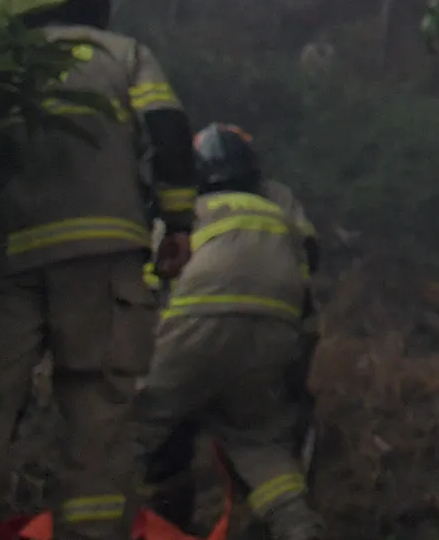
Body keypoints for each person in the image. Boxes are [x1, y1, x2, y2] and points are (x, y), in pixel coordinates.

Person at [0, 0, 197, 540]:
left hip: (2, 264)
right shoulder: (124, 54)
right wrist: (179, 225)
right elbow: (167, 133)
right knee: (100, 421)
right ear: (92, 6)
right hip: (102, 261)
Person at [131, 124, 324, 540]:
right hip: (274, 332)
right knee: (259, 443)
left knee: (133, 434)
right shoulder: (280, 212)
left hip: (197, 326)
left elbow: (148, 280)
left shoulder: (186, 214)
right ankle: (301, 529)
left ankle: (86, 526)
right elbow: (308, 274)